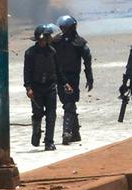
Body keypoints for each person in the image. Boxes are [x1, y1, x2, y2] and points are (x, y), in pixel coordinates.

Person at [54, 14, 95, 145]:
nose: (64, 29)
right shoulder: (56, 41)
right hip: (59, 76)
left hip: (73, 77)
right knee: (67, 103)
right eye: (62, 27)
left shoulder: (79, 42)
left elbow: (87, 59)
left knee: (69, 103)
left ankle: (67, 133)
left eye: (66, 27)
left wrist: (89, 77)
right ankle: (76, 133)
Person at [24, 23, 61, 151]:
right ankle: (36, 133)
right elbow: (27, 71)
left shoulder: (52, 51)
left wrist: (65, 83)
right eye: (47, 36)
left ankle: (49, 141)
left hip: (50, 86)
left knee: (51, 115)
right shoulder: (30, 53)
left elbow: (58, 69)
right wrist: (28, 88)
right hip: (36, 87)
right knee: (37, 113)